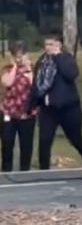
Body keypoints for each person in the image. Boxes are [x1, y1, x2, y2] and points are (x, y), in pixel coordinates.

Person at [28, 34, 82, 170]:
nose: (48, 48)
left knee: (76, 139)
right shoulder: (42, 61)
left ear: (59, 45)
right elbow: (37, 83)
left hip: (69, 108)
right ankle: (44, 170)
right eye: (46, 44)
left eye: (51, 44)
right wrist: (32, 104)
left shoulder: (66, 58)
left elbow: (70, 74)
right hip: (49, 109)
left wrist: (58, 57)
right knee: (44, 140)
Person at [1, 41, 37, 172]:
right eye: (16, 56)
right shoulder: (7, 69)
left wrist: (28, 70)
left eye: (22, 55)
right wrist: (15, 67)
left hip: (27, 113)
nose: (19, 58)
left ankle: (25, 170)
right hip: (9, 112)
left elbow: (35, 86)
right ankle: (6, 170)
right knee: (7, 143)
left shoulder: (33, 69)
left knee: (26, 144)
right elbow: (8, 82)